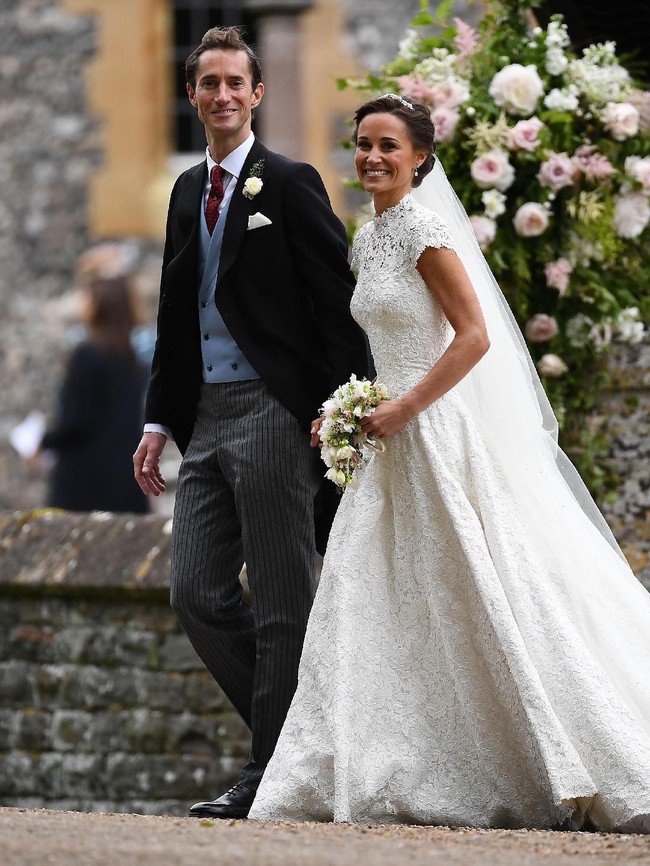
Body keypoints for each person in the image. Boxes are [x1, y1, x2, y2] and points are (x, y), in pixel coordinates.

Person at [248, 95, 650, 832]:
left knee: (481, 584)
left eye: (388, 146)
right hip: (386, 444)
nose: (372, 157)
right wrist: (348, 411)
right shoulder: (366, 240)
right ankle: (380, 763)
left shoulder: (427, 232)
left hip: (434, 434)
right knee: (378, 593)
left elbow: (471, 337)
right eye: (363, 144)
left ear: (420, 157)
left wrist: (404, 409)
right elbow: (382, 344)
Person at [132, 27, 370, 820]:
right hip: (204, 418)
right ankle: (302, 739)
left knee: (281, 602)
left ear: (258, 94)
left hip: (274, 413)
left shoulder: (292, 182)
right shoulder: (180, 193)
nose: (224, 95)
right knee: (195, 592)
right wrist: (158, 422)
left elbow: (339, 312)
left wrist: (338, 416)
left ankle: (270, 773)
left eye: (238, 82)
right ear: (193, 95)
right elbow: (173, 316)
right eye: (209, 84)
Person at [40, 262, 149, 515]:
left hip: (85, 484)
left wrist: (43, 441)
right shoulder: (132, 359)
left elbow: (77, 421)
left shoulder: (88, 355)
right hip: (124, 482)